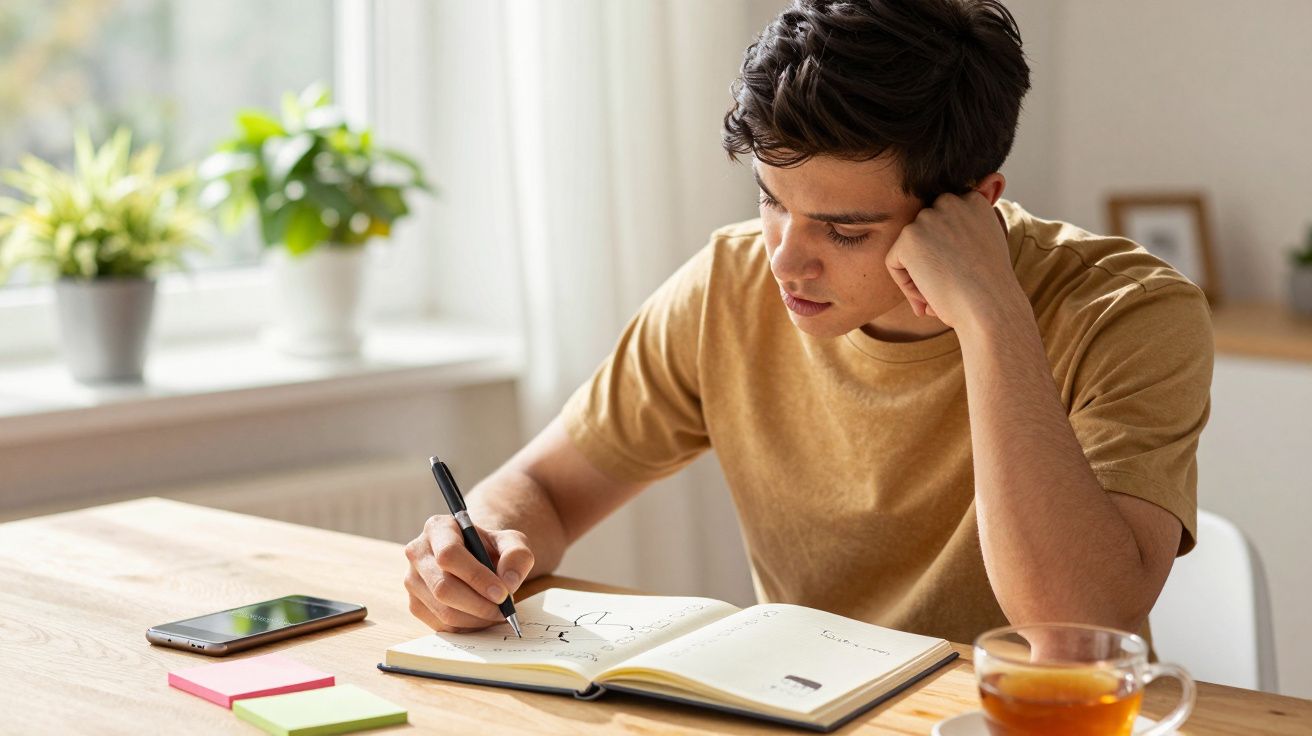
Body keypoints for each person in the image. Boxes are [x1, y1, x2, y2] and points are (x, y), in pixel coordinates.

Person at [403, 0, 1211, 647]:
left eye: (845, 230)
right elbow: (543, 487)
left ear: (975, 203)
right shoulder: (729, 285)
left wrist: (993, 320)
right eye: (770, 200)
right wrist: (478, 555)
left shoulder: (1127, 313)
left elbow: (1076, 629)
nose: (786, 261)